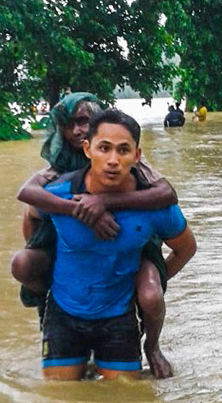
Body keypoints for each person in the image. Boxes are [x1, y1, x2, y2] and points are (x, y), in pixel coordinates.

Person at [11, 92, 179, 377]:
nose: (77, 130)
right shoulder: (60, 164)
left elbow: (167, 193)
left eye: (84, 122)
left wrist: (104, 203)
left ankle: (151, 345)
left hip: (131, 244)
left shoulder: (126, 156)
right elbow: (27, 197)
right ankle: (53, 308)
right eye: (70, 124)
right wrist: (78, 210)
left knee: (150, 293)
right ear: (87, 148)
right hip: (70, 247)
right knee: (23, 262)